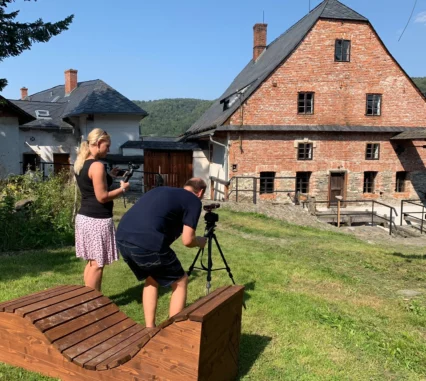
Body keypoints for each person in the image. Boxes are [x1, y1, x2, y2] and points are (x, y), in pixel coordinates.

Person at [116, 178, 207, 328]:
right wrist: (199, 241)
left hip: (122, 236)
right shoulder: (194, 200)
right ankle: (173, 331)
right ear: (201, 192)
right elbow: (187, 240)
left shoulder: (161, 190)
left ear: (185, 186)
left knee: (152, 277)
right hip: (146, 241)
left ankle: (149, 328)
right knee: (180, 281)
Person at [74, 128, 130, 291]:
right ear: (98, 143)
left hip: (85, 217)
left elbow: (91, 186)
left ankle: (87, 297)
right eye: (107, 146)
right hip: (96, 220)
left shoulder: (82, 162)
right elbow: (102, 197)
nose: (109, 149)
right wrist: (123, 189)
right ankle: (93, 302)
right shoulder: (97, 166)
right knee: (97, 264)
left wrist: (110, 176)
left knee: (92, 262)